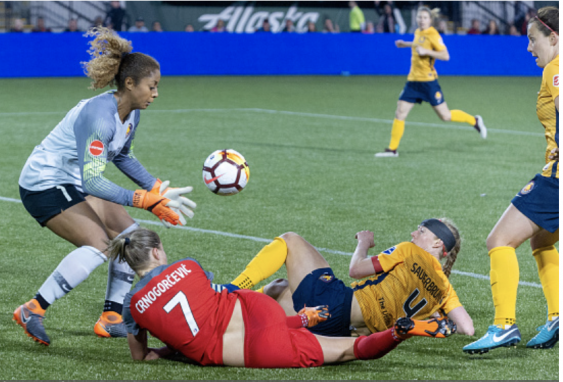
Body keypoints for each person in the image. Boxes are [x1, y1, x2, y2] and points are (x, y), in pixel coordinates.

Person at [13, 27, 196, 346]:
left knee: (134, 240)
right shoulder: (100, 116)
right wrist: (145, 199)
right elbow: (92, 181)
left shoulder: (131, 115)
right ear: (129, 83)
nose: (155, 94)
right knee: (99, 246)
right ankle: (33, 309)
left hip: (72, 180)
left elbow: (123, 156)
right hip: (44, 182)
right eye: (152, 87)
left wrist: (157, 189)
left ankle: (111, 317)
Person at [113, 228, 456, 366]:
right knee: (277, 287)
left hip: (243, 350)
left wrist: (168, 351)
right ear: (158, 252)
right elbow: (224, 299)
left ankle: (400, 331)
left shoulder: (132, 306)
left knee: (348, 351)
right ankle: (392, 330)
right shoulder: (188, 267)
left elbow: (142, 356)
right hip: (258, 313)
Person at [463, 6, 559, 355]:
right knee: (542, 244)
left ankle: (503, 325)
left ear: (553, 37)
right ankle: (556, 315)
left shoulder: (556, 68)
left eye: (533, 40)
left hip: (557, 179)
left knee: (499, 240)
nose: (529, 48)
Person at [228, 218, 474, 339]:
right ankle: (232, 312)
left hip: (336, 303)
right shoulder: (444, 290)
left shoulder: (409, 251)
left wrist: (364, 243)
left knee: (290, 239)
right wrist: (437, 318)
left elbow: (355, 270)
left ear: (437, 242)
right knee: (278, 288)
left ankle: (230, 289)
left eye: (421, 231)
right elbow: (467, 328)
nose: (413, 233)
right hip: (342, 331)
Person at [375, 6, 487, 158]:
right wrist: (405, 44)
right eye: (420, 17)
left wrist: (427, 52)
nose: (421, 20)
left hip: (428, 82)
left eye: (425, 18)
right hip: (413, 81)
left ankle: (474, 121)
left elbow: (445, 55)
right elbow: (418, 45)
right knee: (400, 112)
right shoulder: (418, 32)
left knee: (445, 116)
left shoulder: (433, 34)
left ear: (430, 20)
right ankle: (392, 150)